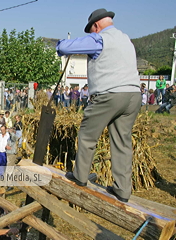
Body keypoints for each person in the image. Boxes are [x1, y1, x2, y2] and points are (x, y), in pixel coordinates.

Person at [57, 8, 141, 203]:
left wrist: (60, 43)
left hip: (110, 94)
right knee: (122, 141)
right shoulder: (126, 40)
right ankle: (122, 189)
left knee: (87, 135)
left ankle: (80, 176)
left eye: (92, 29)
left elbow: (64, 48)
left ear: (96, 25)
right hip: (134, 95)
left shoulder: (100, 39)